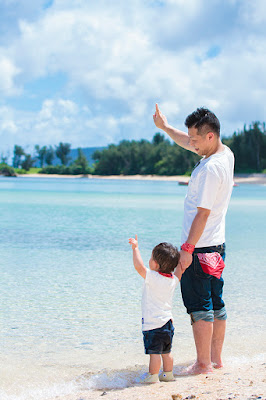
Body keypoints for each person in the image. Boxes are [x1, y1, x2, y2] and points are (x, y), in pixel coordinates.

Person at [153, 104, 234, 374]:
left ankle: (202, 364)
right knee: (216, 303)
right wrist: (165, 128)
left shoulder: (211, 169)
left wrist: (186, 250)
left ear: (210, 136)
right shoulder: (225, 154)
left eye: (197, 140)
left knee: (199, 307)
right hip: (217, 247)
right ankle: (215, 360)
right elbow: (187, 140)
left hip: (199, 249)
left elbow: (202, 214)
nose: (192, 144)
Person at [128, 235, 181, 383]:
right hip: (168, 324)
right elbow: (179, 272)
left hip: (153, 325)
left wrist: (135, 248)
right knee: (167, 352)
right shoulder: (173, 280)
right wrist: (181, 264)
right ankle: (168, 374)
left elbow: (139, 267)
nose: (149, 260)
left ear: (156, 265)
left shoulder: (152, 277)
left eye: (151, 258)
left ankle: (152, 376)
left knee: (155, 354)